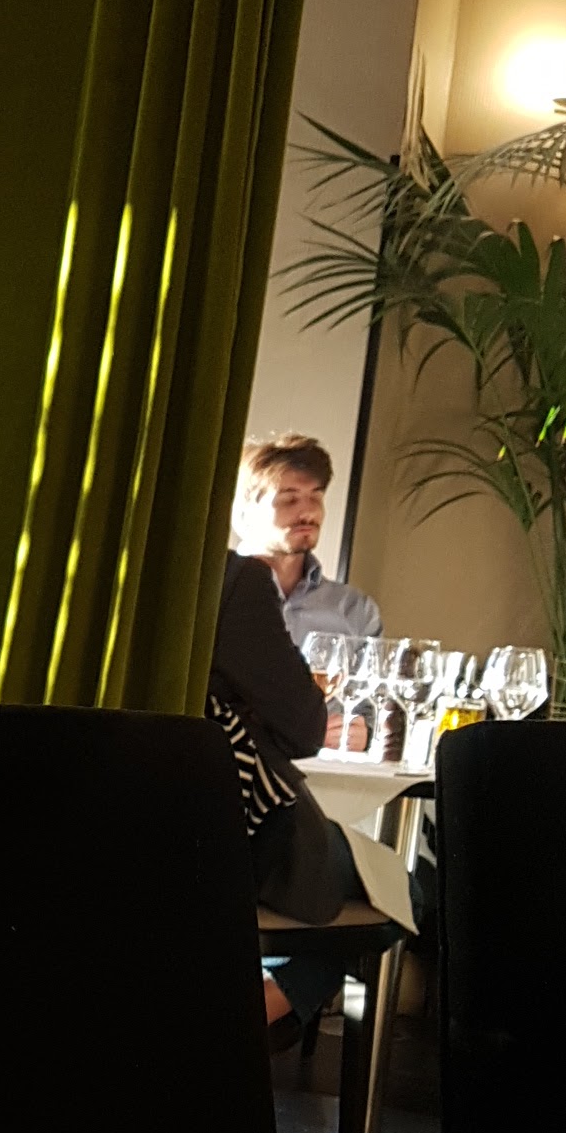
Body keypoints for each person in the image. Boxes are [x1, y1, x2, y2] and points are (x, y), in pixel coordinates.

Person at [209, 549, 359, 1048]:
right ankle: (239, 1017)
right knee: (408, 890)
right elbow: (305, 727)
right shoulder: (231, 579)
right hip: (235, 841)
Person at [231, 433, 381, 653]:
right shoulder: (212, 595)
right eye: (289, 499)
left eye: (315, 497)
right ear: (247, 510)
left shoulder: (355, 611)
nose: (309, 512)